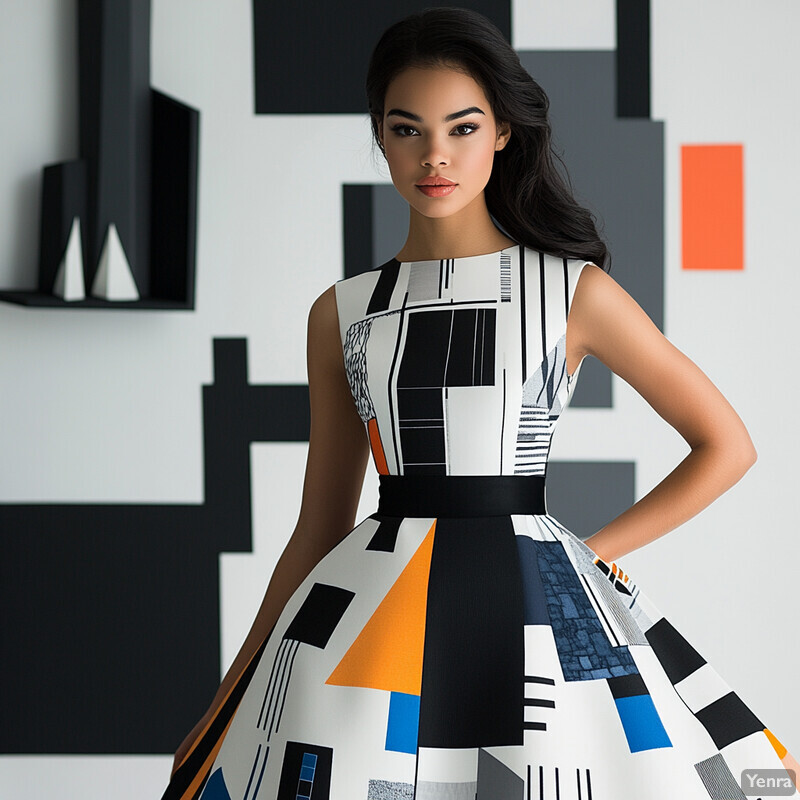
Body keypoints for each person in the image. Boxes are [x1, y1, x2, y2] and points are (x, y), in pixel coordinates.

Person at [161, 7, 798, 799]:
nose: (435, 155)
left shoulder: (573, 292)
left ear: (502, 132)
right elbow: (319, 527)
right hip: (371, 620)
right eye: (406, 130)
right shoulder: (343, 312)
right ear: (380, 136)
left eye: (462, 129)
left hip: (533, 614)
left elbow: (726, 445)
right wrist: (229, 696)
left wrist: (592, 558)